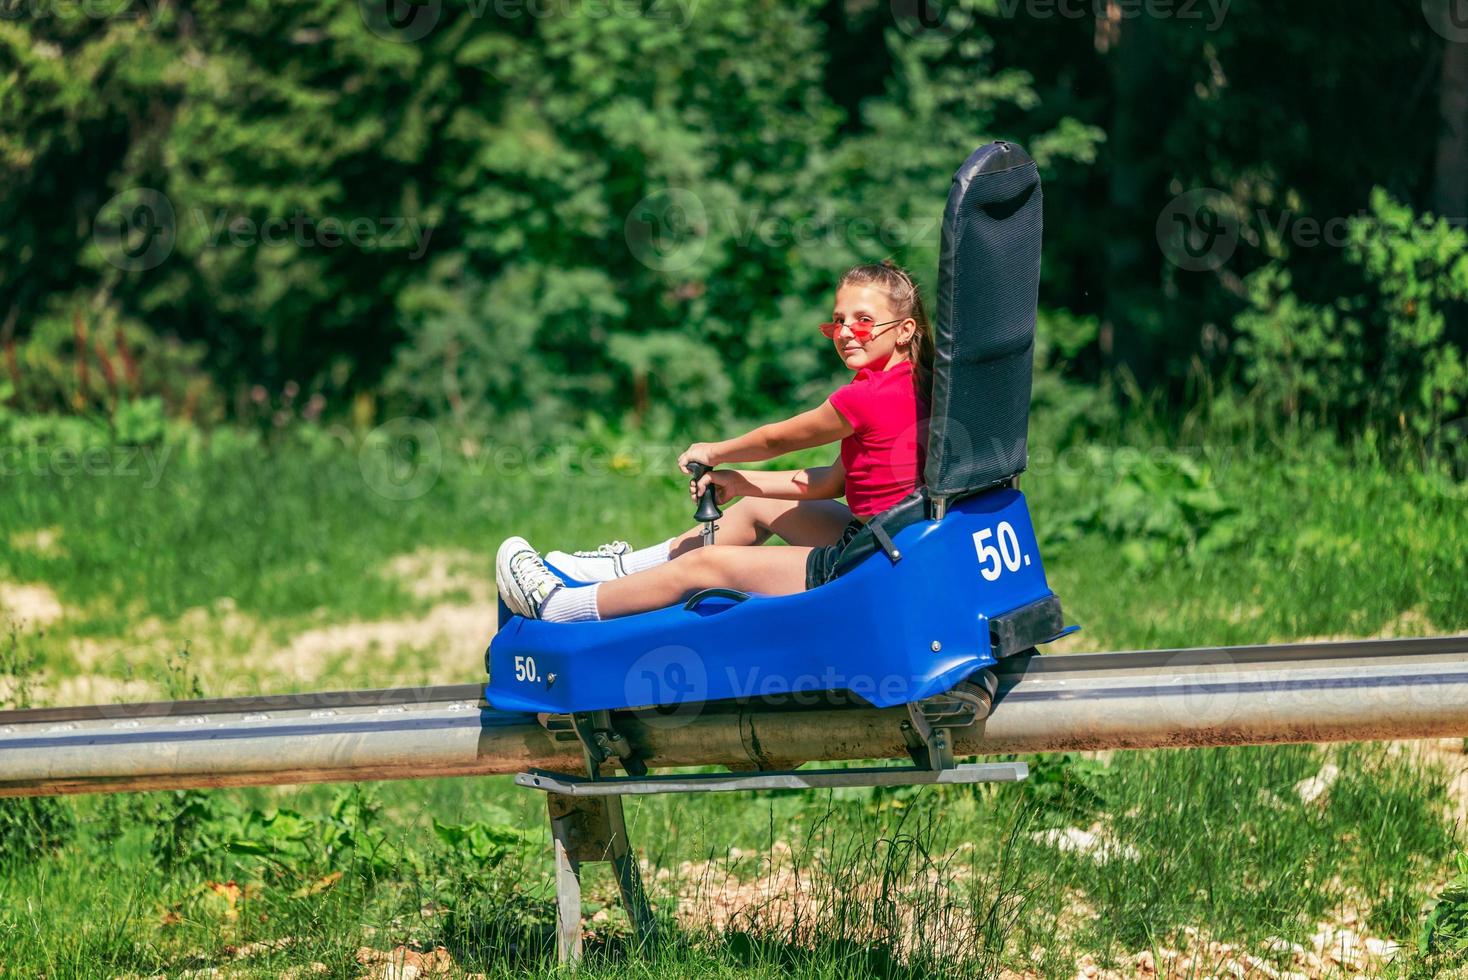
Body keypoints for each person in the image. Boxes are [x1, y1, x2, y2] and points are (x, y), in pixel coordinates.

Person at [496, 260, 933, 622]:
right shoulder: (912, 382)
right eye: (838, 321)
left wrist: (714, 451)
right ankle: (618, 569)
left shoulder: (867, 397)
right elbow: (834, 481)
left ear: (905, 329)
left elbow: (776, 439)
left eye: (863, 321)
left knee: (704, 568)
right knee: (761, 507)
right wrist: (741, 482)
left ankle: (556, 607)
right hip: (891, 542)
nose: (844, 332)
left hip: (868, 565)